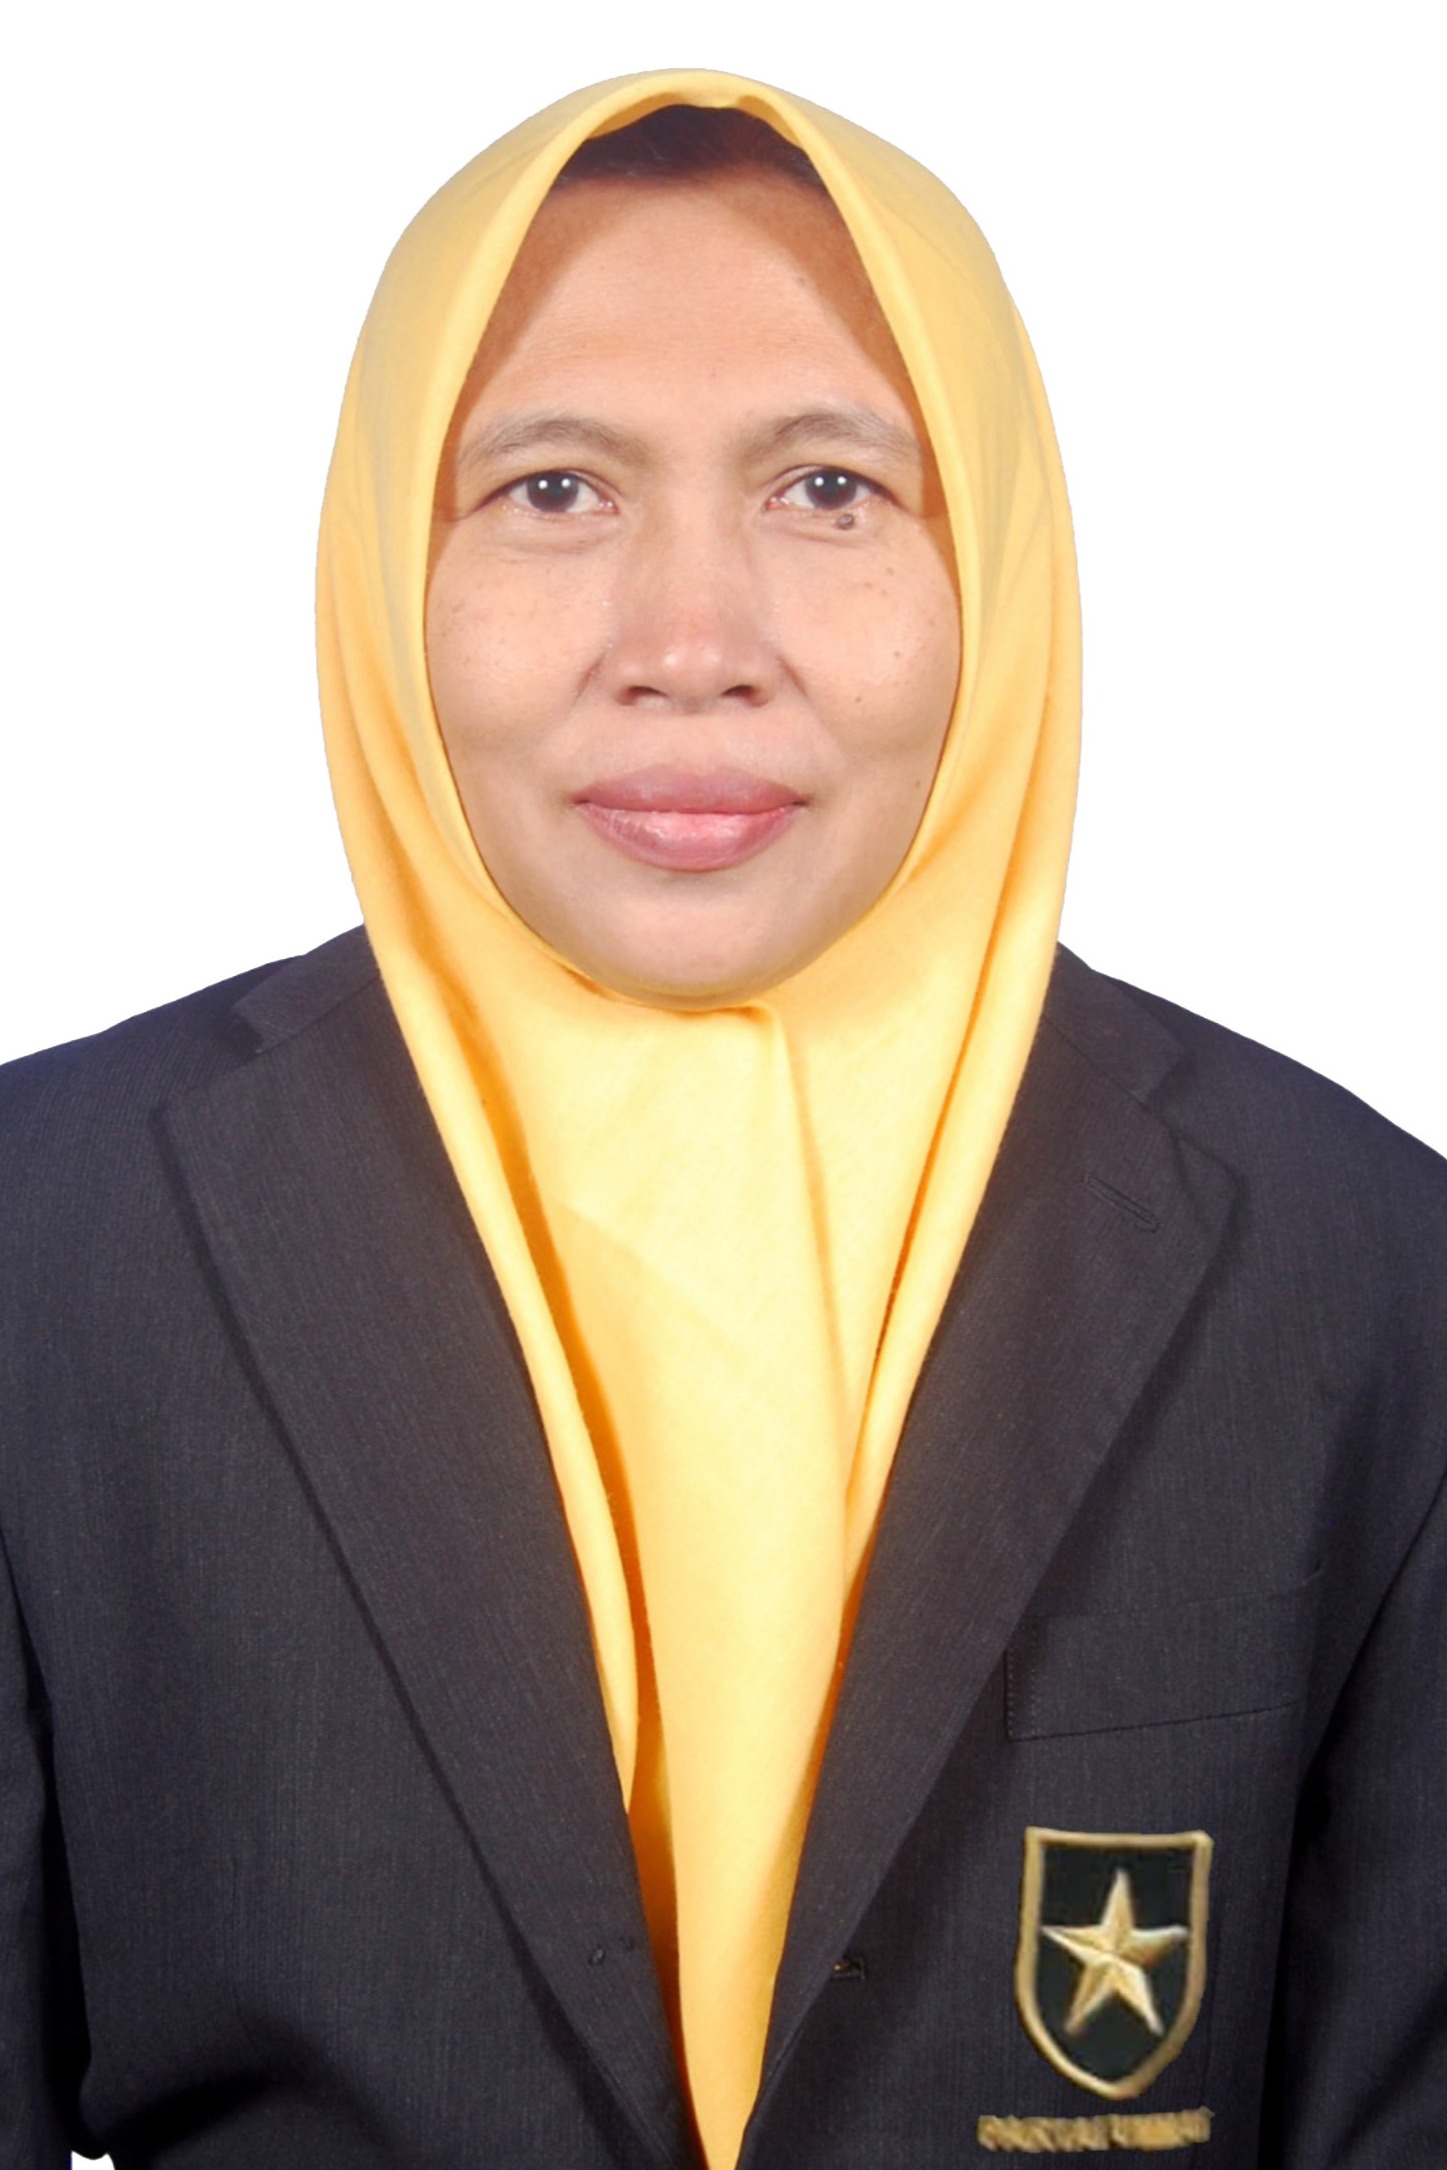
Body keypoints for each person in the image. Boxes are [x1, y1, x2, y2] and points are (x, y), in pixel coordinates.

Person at [1, 67, 1443, 2170]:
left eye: (831, 489)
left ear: (1001, 558)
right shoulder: (48, 1241)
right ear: (382, 560)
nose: (691, 645)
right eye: (554, 490)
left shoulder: (1365, 1272)